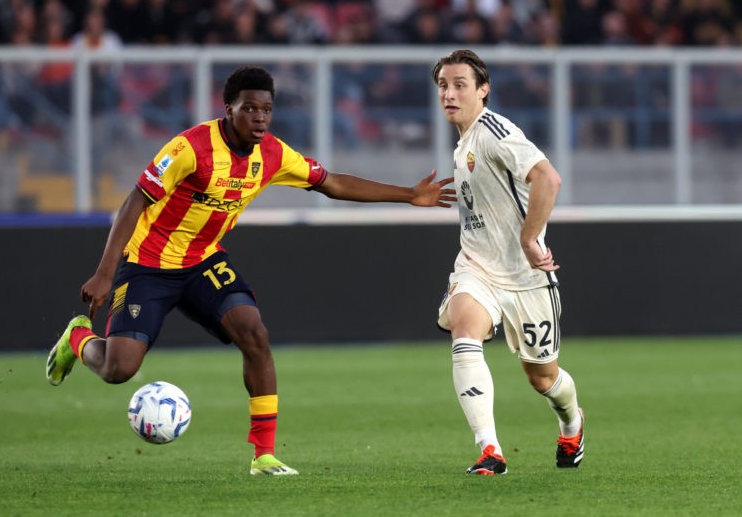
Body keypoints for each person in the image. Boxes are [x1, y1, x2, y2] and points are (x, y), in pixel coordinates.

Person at [46, 65, 456, 476]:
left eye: (266, 110)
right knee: (120, 369)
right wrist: (105, 271)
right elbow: (135, 201)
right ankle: (78, 338)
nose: (260, 118)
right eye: (250, 109)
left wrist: (408, 195)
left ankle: (264, 455)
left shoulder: (273, 154)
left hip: (203, 259)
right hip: (147, 264)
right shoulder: (190, 147)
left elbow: (332, 183)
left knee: (254, 333)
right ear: (229, 110)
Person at [433, 50, 584, 475]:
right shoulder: (463, 144)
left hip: (526, 278)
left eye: (460, 84)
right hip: (477, 268)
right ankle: (490, 450)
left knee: (543, 380)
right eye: (443, 85)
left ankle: (572, 421)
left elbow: (548, 178)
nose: (449, 93)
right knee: (464, 328)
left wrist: (529, 237)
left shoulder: (494, 131)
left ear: (483, 90)